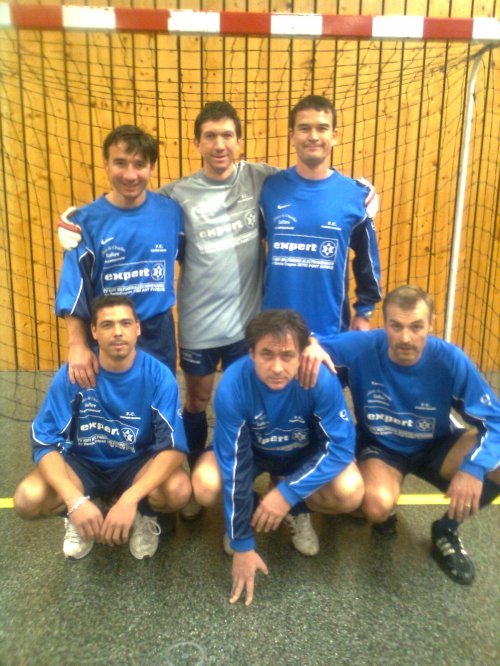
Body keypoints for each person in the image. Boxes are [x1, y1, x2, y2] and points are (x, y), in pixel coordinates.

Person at [58, 101, 377, 504]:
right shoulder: (175, 198)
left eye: (227, 135)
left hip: (249, 325)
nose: (220, 144)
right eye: (210, 136)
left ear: (240, 142)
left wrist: (361, 195)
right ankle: (191, 474)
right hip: (198, 325)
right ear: (197, 143)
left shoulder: (264, 180)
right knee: (195, 401)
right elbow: (134, 207)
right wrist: (77, 221)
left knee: (268, 401)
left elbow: (309, 182)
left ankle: (279, 486)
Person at [324, 285, 500, 585]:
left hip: (438, 445)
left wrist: (473, 467)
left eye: (416, 327)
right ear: (385, 324)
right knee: (376, 506)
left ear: (431, 324)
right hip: (383, 448)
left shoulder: (450, 360)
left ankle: (446, 530)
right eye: (396, 326)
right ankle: (384, 508)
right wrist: (310, 346)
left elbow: (495, 419)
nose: (405, 337)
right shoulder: (362, 347)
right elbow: (306, 344)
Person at [192, 309, 364, 605]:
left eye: (287, 356)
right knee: (204, 484)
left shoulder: (320, 380)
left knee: (351, 491)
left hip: (301, 457)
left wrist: (287, 494)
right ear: (251, 353)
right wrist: (242, 542)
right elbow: (234, 465)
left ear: (302, 354)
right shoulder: (233, 385)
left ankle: (295, 508)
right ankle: (248, 513)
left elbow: (340, 447)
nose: (276, 367)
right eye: (266, 354)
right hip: (253, 455)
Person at [14, 295, 191, 561]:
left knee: (178, 490)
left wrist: (131, 499)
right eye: (108, 325)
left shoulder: (158, 376)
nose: (118, 331)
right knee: (28, 498)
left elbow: (174, 448)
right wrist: (74, 500)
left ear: (138, 328)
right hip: (83, 465)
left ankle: (143, 515)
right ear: (94, 331)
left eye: (125, 323)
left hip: (135, 464)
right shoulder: (74, 374)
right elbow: (45, 442)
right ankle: (79, 514)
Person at [56, 125, 184, 384]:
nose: (130, 175)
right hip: (108, 333)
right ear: (106, 163)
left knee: (159, 402)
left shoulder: (172, 213)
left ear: (152, 167)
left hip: (158, 333)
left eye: (139, 164)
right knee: (112, 405)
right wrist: (77, 345)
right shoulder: (84, 223)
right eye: (120, 163)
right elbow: (74, 290)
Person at [260, 94, 382, 342]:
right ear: (292, 135)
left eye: (322, 128)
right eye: (304, 128)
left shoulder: (355, 196)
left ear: (334, 136)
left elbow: (367, 260)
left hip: (330, 332)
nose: (313, 136)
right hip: (272, 330)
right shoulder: (269, 189)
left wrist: (364, 311)